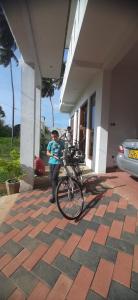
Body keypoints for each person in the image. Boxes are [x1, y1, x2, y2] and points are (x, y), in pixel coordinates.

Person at [47, 130, 64, 203]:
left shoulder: (61, 143)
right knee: (52, 178)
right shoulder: (50, 143)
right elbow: (47, 152)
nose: (54, 138)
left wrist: (63, 155)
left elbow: (64, 150)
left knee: (53, 178)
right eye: (52, 137)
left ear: (57, 136)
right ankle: (57, 187)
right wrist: (53, 155)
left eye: (55, 137)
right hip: (51, 162)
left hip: (58, 162)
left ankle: (54, 196)